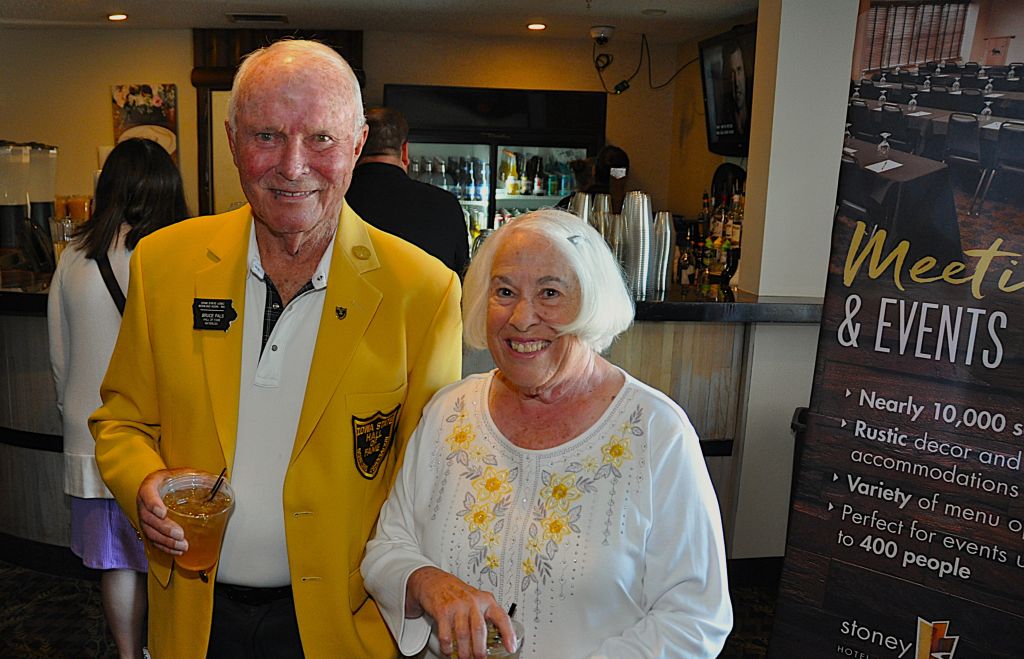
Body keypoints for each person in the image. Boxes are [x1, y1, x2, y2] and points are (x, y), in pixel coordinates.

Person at [90, 40, 463, 658]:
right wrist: (144, 483)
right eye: (267, 136)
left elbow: (430, 485)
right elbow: (121, 421)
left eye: (321, 139)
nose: (293, 167)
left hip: (344, 629)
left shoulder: (422, 292)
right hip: (194, 621)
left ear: (357, 144)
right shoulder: (163, 264)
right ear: (232, 140)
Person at [362, 209, 733, 658]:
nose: (522, 318)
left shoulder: (656, 432)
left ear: (592, 302)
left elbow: (694, 617)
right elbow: (388, 548)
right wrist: (426, 582)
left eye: (550, 293)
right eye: (504, 292)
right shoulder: (449, 412)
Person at [48, 137, 190, 659]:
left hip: (93, 437)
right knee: (172, 557)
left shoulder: (73, 259)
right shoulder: (182, 258)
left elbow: (59, 355)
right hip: (167, 438)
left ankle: (130, 655)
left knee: (116, 563)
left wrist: (73, 416)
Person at [346, 107, 469, 275]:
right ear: (404, 151)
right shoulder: (446, 205)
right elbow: (464, 275)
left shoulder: (338, 201)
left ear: (357, 147)